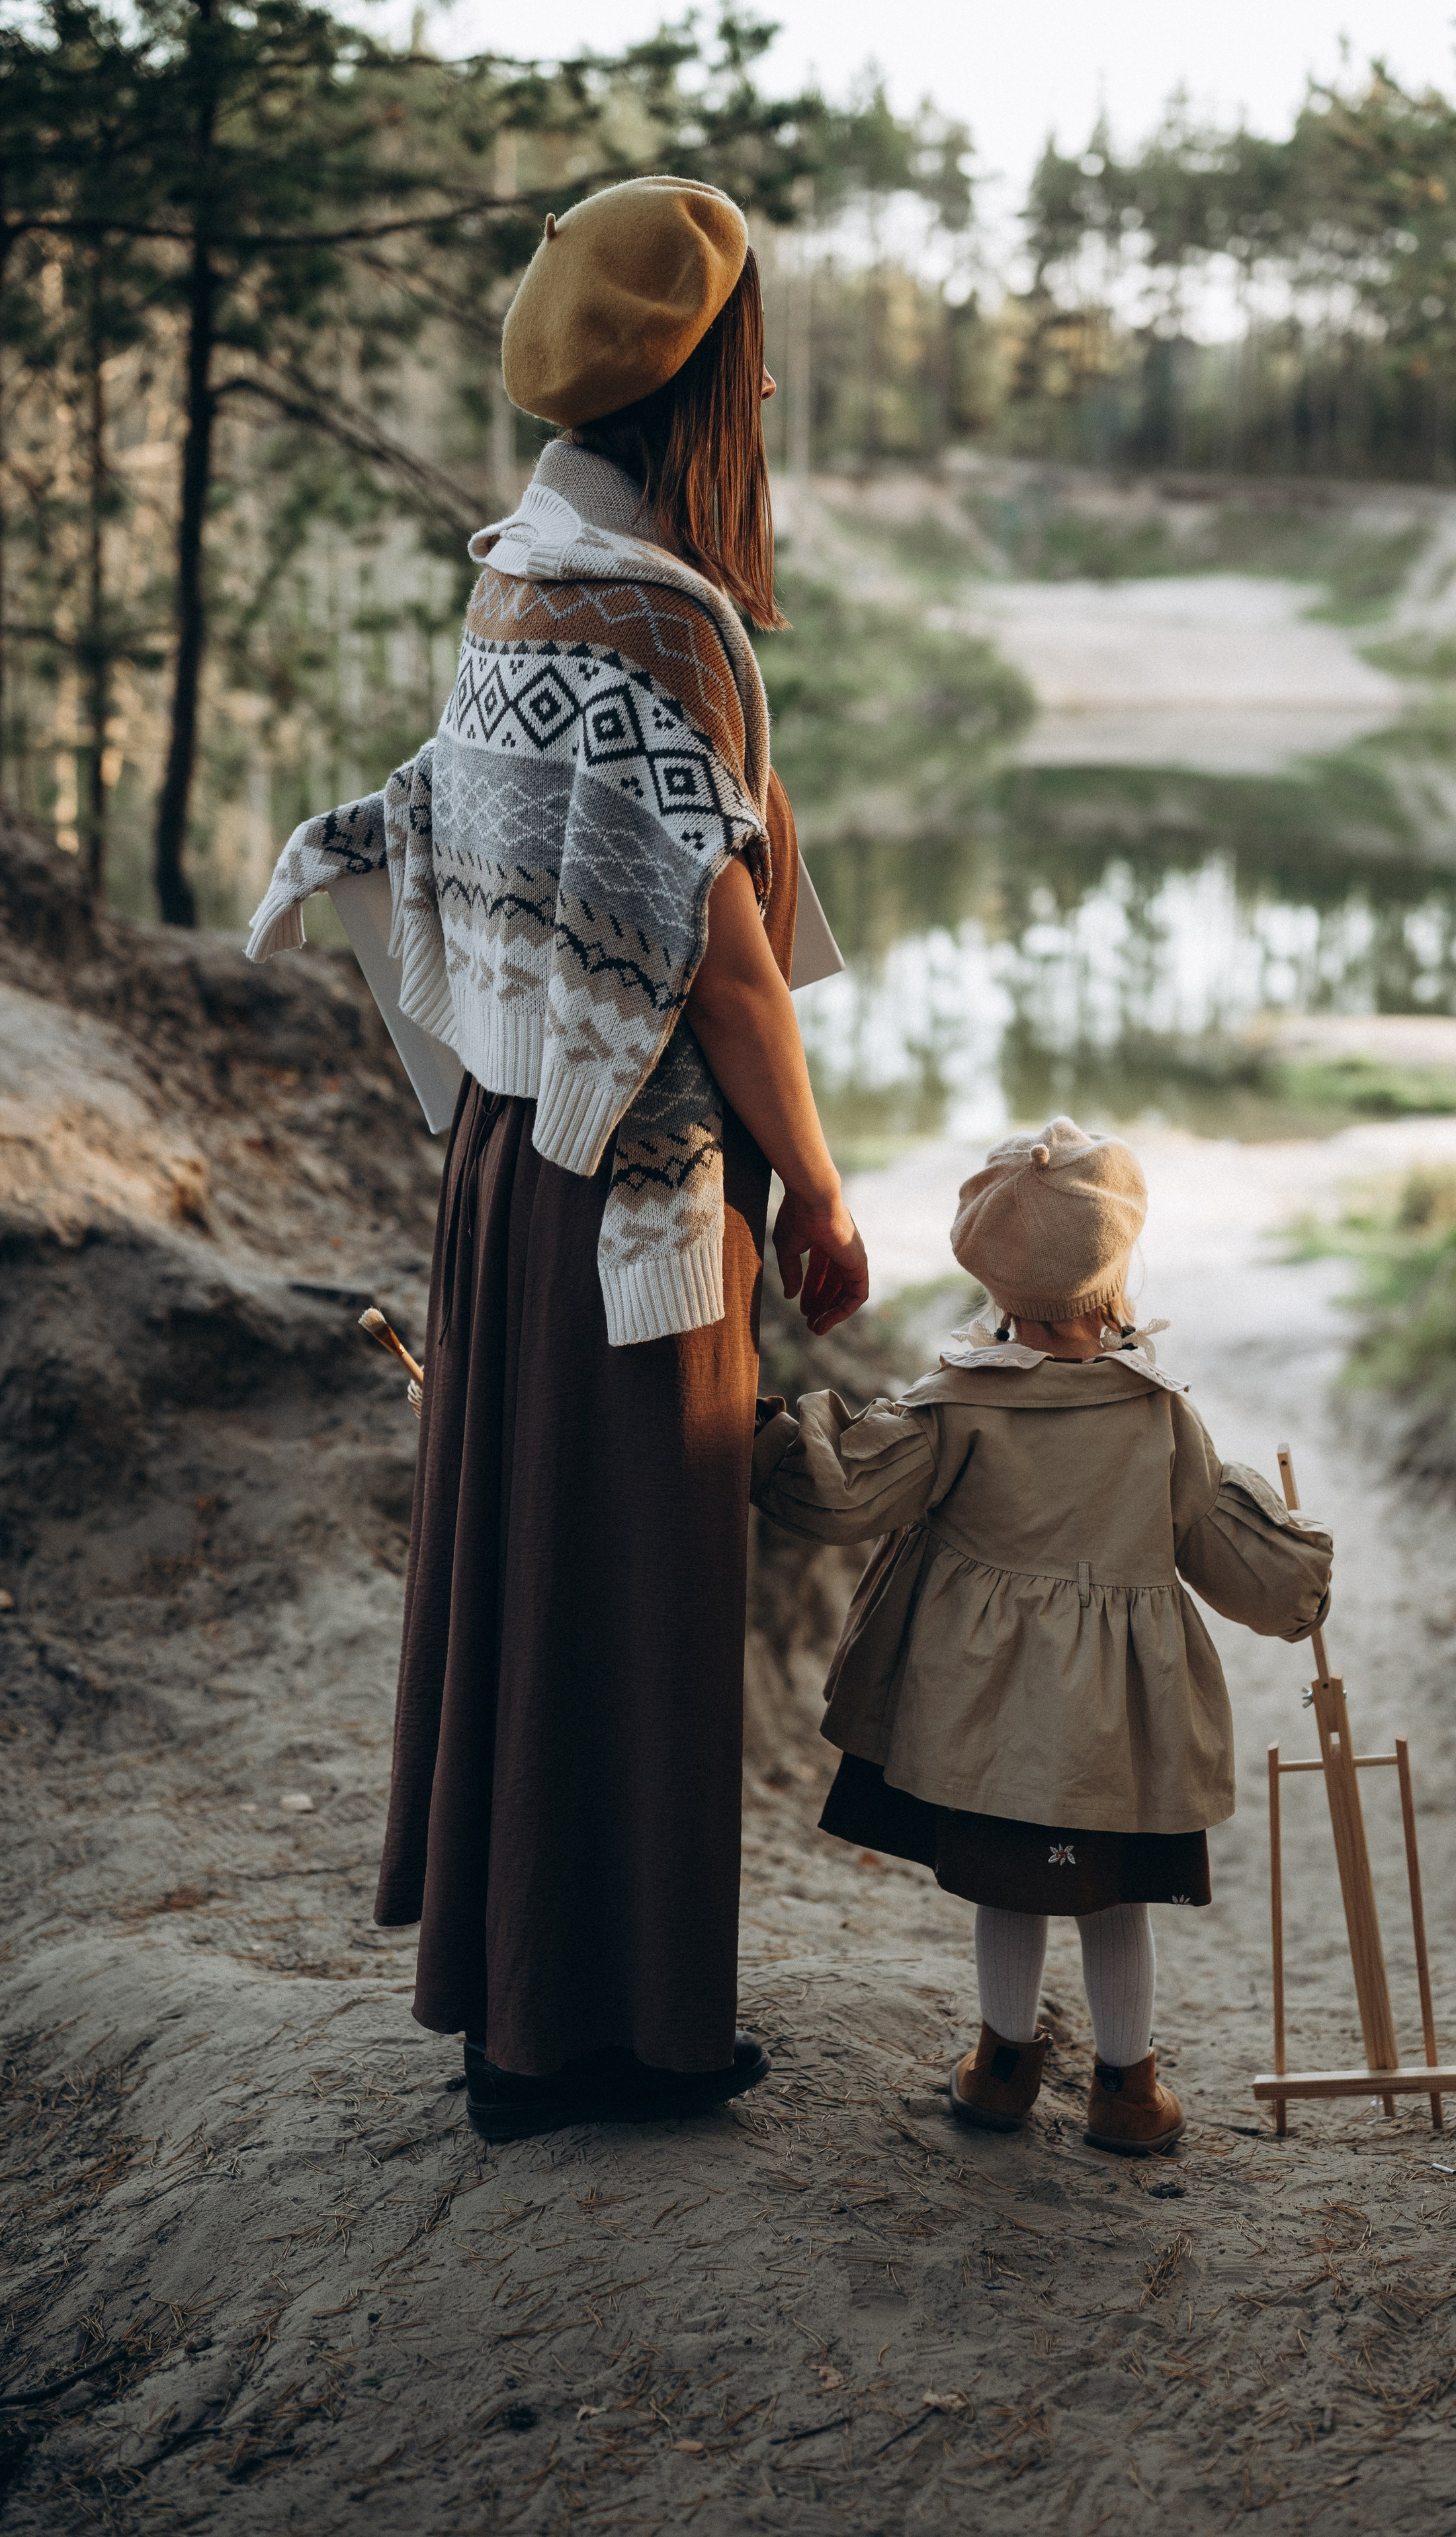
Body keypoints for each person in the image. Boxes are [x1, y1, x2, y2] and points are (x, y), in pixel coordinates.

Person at [246, 177, 867, 2140]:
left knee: (539, 1577)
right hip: (639, 1186)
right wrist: (828, 1195)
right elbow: (724, 953)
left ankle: (527, 2013)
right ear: (713, 387)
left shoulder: (520, 569)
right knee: (642, 1586)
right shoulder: (649, 617)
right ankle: (602, 2037)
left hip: (516, 1160)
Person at [751, 1117, 1332, 2155]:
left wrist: (765, 1439)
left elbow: (852, 1494)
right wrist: (1298, 1586)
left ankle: (1002, 2071)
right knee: (1115, 1904)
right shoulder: (1159, 1415)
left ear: (991, 1271)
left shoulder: (956, 1404)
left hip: (989, 1720)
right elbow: (1215, 1539)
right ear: (1114, 1271)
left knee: (1007, 1888)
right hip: (1120, 1724)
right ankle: (1127, 2089)